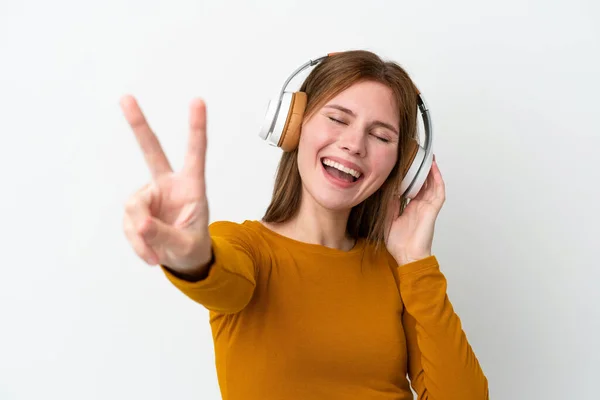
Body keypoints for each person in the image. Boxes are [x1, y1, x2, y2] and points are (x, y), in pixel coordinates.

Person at [121, 50, 489, 400]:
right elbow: (218, 277)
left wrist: (415, 259)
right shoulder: (245, 247)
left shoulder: (399, 270)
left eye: (380, 136)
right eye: (337, 118)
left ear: (403, 166)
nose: (354, 145)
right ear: (293, 125)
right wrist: (190, 254)